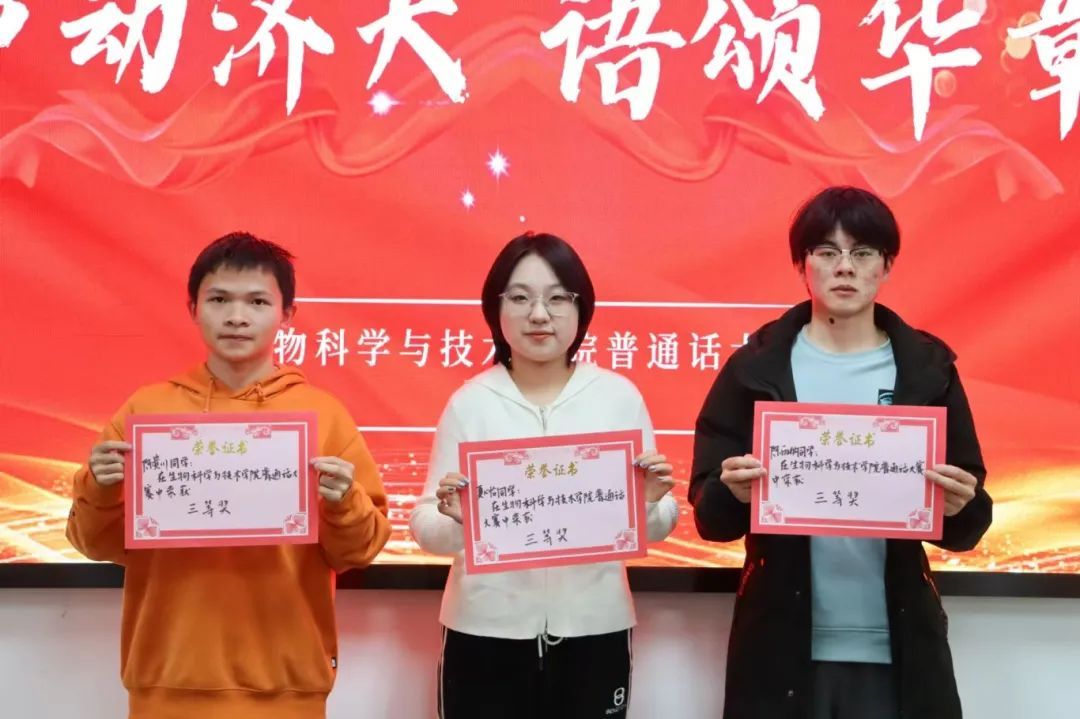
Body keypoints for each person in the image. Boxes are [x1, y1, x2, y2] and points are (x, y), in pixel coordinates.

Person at [690, 187, 992, 719]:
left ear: (887, 265)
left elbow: (968, 520)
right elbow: (710, 518)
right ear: (802, 265)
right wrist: (729, 492)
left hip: (897, 642)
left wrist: (959, 506)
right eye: (827, 252)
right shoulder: (756, 369)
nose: (845, 267)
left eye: (863, 252)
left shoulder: (926, 370)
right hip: (780, 645)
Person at [66, 232, 392, 719]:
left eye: (257, 302)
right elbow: (95, 544)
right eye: (219, 299)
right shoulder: (146, 412)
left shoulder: (324, 417)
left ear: (287, 314)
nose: (237, 316)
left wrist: (344, 504)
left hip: (287, 685)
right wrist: (101, 488)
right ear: (193, 308)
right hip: (166, 682)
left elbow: (359, 551)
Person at [410, 232, 680, 719]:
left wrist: (648, 503)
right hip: (484, 629)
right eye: (520, 298)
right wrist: (458, 522)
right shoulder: (470, 402)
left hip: (594, 627)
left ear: (581, 309)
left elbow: (658, 524)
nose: (539, 314)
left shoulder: (617, 397)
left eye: (557, 298)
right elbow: (425, 524)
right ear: (496, 309)